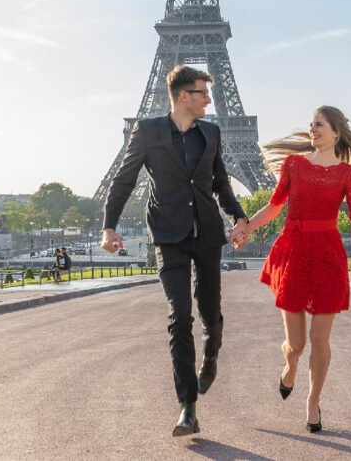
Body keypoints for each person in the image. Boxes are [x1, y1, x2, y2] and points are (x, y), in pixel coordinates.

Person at [101, 65, 249, 436]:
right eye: (203, 93)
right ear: (184, 96)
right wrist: (109, 226)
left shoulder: (210, 133)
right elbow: (123, 178)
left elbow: (221, 185)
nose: (209, 100)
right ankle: (188, 407)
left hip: (207, 234)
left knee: (209, 312)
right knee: (179, 315)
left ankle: (211, 352)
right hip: (168, 234)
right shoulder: (148, 131)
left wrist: (240, 217)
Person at [232, 105, 351, 433]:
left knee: (320, 337)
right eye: (311, 124)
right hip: (294, 252)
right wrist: (247, 228)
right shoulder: (294, 164)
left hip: (327, 256)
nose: (313, 129)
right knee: (297, 345)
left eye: (319, 125)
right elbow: (276, 204)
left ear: (336, 132)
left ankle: (312, 401)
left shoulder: (348, 174)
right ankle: (290, 364)